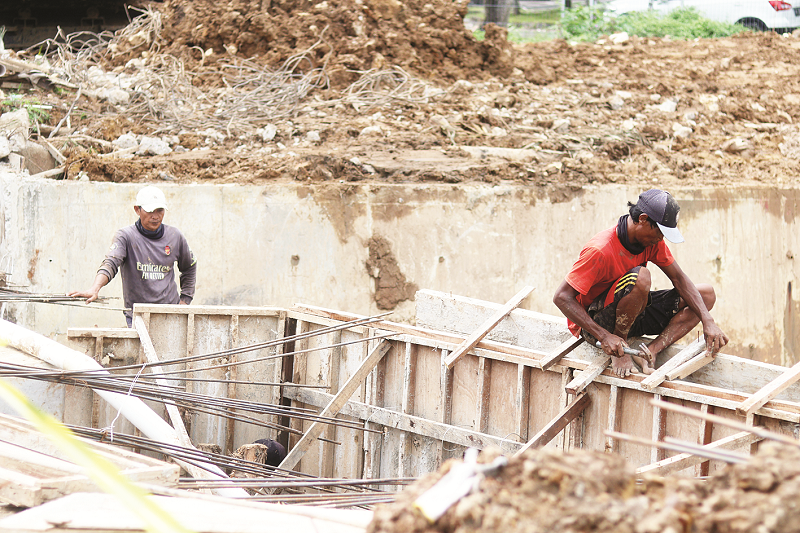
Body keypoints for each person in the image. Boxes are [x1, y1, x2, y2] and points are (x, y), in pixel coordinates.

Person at [553, 189, 728, 378]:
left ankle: (651, 351)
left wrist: (707, 320)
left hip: (632, 313)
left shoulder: (651, 242)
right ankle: (620, 345)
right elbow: (562, 297)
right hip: (597, 325)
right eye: (660, 232)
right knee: (641, 277)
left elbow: (679, 278)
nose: (661, 239)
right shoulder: (600, 249)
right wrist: (604, 336)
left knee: (705, 295)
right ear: (643, 219)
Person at [70, 185, 197, 327]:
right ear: (137, 209)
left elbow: (189, 266)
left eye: (159, 210)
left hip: (170, 315)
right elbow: (111, 263)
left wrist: (185, 300)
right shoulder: (126, 236)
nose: (155, 216)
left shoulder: (175, 237)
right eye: (150, 211)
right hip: (138, 317)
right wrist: (95, 288)